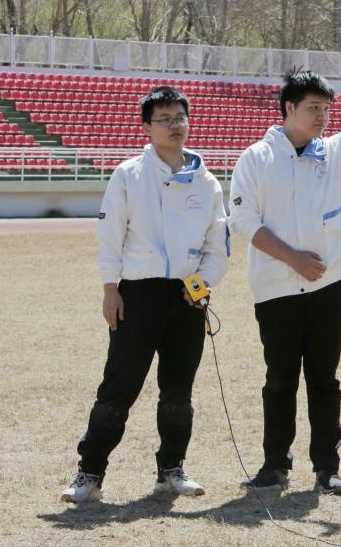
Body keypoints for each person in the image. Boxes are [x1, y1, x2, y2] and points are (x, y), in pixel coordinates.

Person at [229, 48, 341, 494]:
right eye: (313, 108)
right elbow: (243, 221)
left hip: (331, 286)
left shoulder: (338, 151)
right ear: (289, 107)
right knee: (279, 380)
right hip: (275, 289)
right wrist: (293, 258)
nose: (322, 117)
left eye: (326, 109)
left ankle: (328, 467)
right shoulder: (256, 158)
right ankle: (274, 465)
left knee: (325, 380)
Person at [61, 86, 229, 504]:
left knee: (178, 391)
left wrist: (203, 284)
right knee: (118, 387)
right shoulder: (129, 175)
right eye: (164, 119)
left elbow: (218, 245)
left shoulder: (207, 182)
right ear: (147, 127)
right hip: (137, 295)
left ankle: (171, 471)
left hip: (188, 297)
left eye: (179, 117)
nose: (174, 125)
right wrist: (110, 289)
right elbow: (110, 236)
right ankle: (89, 474)